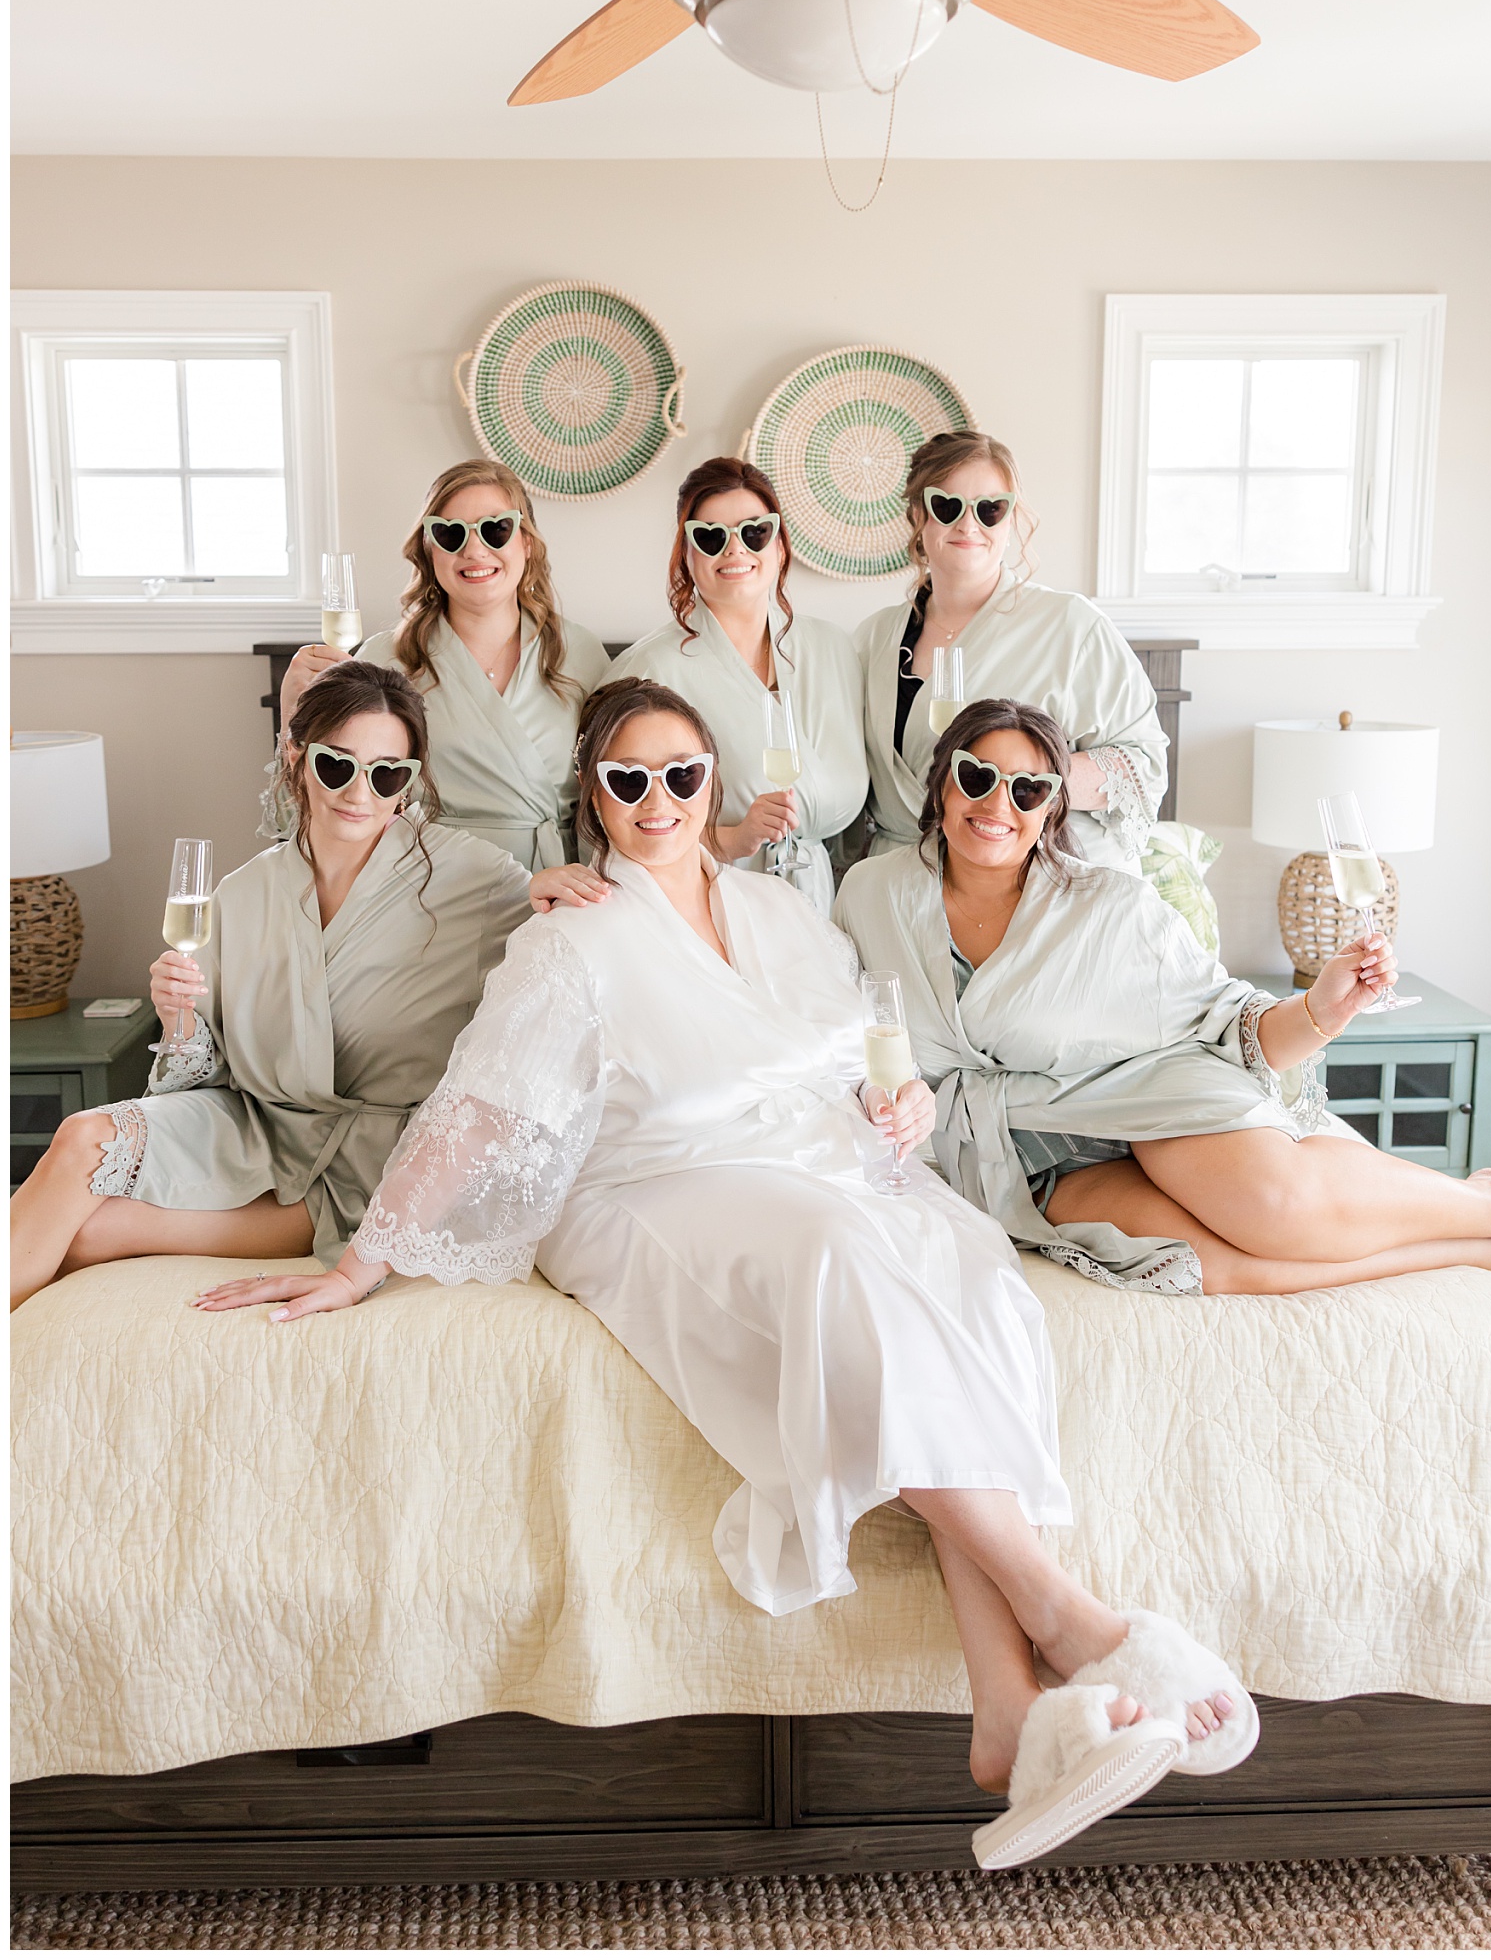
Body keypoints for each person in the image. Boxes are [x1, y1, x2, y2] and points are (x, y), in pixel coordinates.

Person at [195, 676, 1256, 1870]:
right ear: (592, 795)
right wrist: (360, 1261)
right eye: (628, 779)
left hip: (815, 1164)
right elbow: (475, 1113)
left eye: (681, 775)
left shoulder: (784, 909)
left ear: (714, 781)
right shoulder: (567, 937)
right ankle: (1070, 1614)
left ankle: (1005, 1717)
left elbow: (857, 1051)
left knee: (956, 1261)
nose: (659, 801)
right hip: (648, 1184)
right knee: (843, 1253)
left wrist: (892, 1104)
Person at [834, 698, 1491, 1296]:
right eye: (977, 776)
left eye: (1028, 788)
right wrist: (882, 1095)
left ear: (1051, 808)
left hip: (1148, 1098)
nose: (997, 806)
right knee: (1210, 1263)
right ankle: (1476, 1252)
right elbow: (837, 1037)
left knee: (1282, 1211)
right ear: (942, 783)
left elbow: (1228, 1018)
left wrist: (1324, 1008)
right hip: (1020, 1154)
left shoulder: (1109, 906)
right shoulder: (870, 895)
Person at [11, 660, 604, 1312]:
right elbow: (206, 1075)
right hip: (252, 1131)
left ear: (408, 783)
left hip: (361, 1170)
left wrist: (558, 894)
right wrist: (178, 1017)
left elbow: (579, 954)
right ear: (296, 756)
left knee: (91, 1232)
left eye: (386, 773)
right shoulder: (240, 895)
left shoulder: (478, 880)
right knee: (77, 1138)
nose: (360, 791)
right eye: (336, 764)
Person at [857, 432, 1166, 873]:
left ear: (1010, 520)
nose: (968, 525)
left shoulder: (1071, 625)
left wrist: (1018, 787)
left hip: (1035, 883)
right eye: (947, 506)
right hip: (904, 883)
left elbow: (1144, 764)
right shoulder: (873, 640)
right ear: (917, 516)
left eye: (989, 509)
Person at [277, 459, 608, 869]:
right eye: (450, 533)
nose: (473, 549)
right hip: (426, 885)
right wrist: (291, 713)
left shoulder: (581, 655)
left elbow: (611, 798)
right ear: (430, 549)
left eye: (495, 529)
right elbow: (324, 804)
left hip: (553, 888)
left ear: (526, 542)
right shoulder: (385, 660)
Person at [606, 458, 867, 914]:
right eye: (709, 537)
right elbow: (615, 821)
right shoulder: (649, 670)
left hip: (827, 907)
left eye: (754, 532)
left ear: (780, 546)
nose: (734, 550)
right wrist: (732, 839)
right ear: (686, 555)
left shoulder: (835, 650)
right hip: (709, 904)